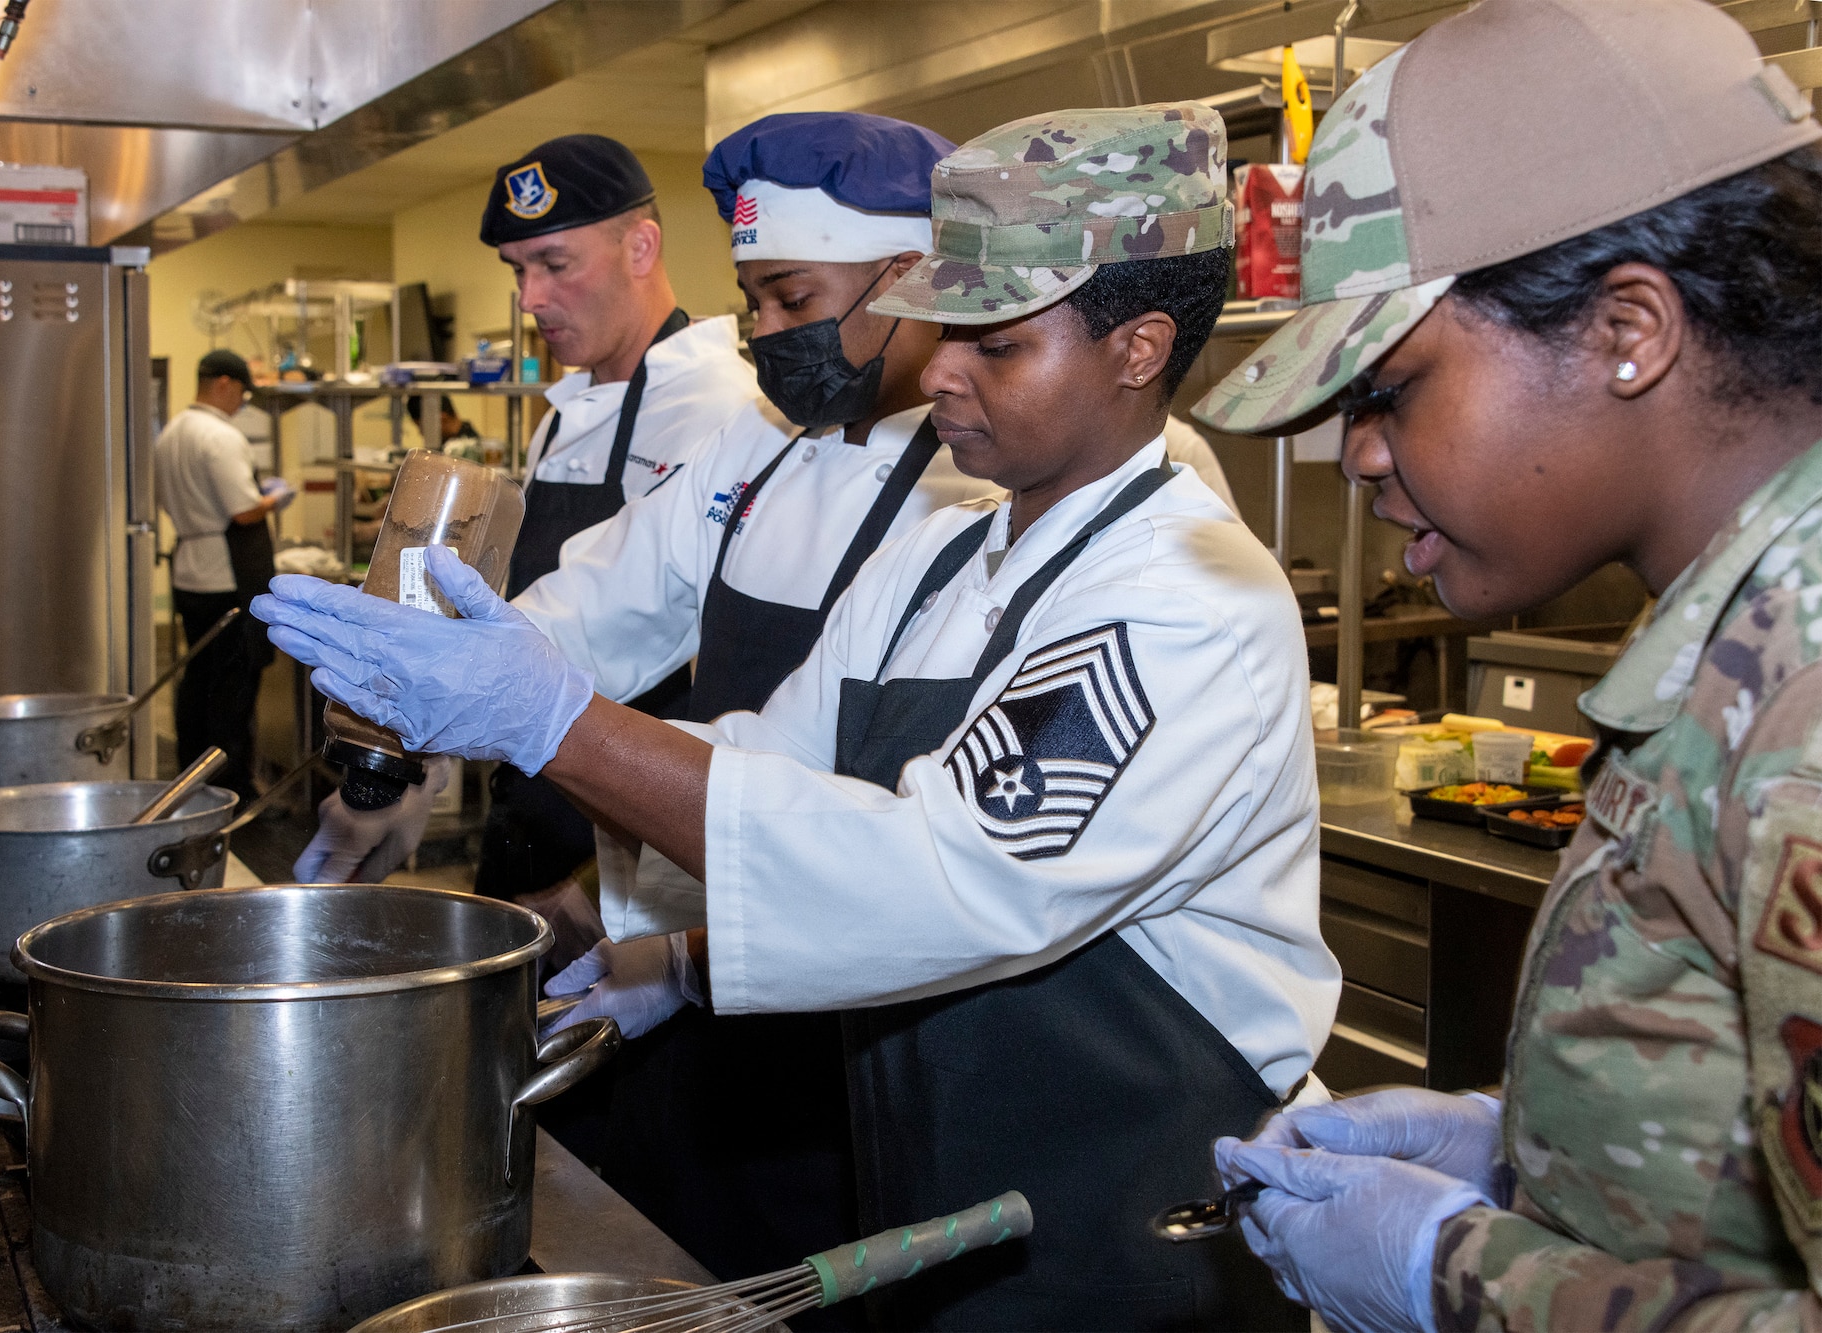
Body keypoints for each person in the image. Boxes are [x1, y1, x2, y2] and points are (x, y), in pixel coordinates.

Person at [258, 102, 1337, 1329]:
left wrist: (554, 722)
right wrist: (636, 926)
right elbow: (768, 757)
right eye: (946, 328)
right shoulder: (953, 548)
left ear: (1138, 349)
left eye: (994, 343)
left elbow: (937, 875)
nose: (937, 369)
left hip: (1123, 1209)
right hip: (943, 1161)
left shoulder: (1180, 596)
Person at [1191, 2, 1822, 1330]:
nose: (1360, 455)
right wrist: (1543, 1145)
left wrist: (1465, 1277)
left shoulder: (1806, 702)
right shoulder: (1741, 636)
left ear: (1626, 330)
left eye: (1391, 387)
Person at [299, 110, 1001, 1287]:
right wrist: (418, 711)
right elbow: (606, 601)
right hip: (705, 897)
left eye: (790, 298)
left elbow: (865, 800)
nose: (767, 337)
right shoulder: (761, 439)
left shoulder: (982, 480)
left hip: (856, 992)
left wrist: (661, 936)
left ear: (916, 276)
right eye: (753, 304)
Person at [477, 133, 761, 901]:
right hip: (528, 801)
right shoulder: (565, 415)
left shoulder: (720, 408)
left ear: (642, 247)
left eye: (554, 264)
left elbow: (717, 675)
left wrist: (605, 890)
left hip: (627, 850)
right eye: (518, 271)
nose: (530, 299)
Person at [153, 348, 293, 798]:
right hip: (226, 575)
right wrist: (275, 497)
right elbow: (245, 512)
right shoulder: (220, 436)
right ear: (224, 384)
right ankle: (231, 790)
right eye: (243, 393)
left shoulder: (171, 432)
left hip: (189, 571)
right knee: (232, 688)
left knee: (197, 683)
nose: (242, 403)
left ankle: (190, 779)